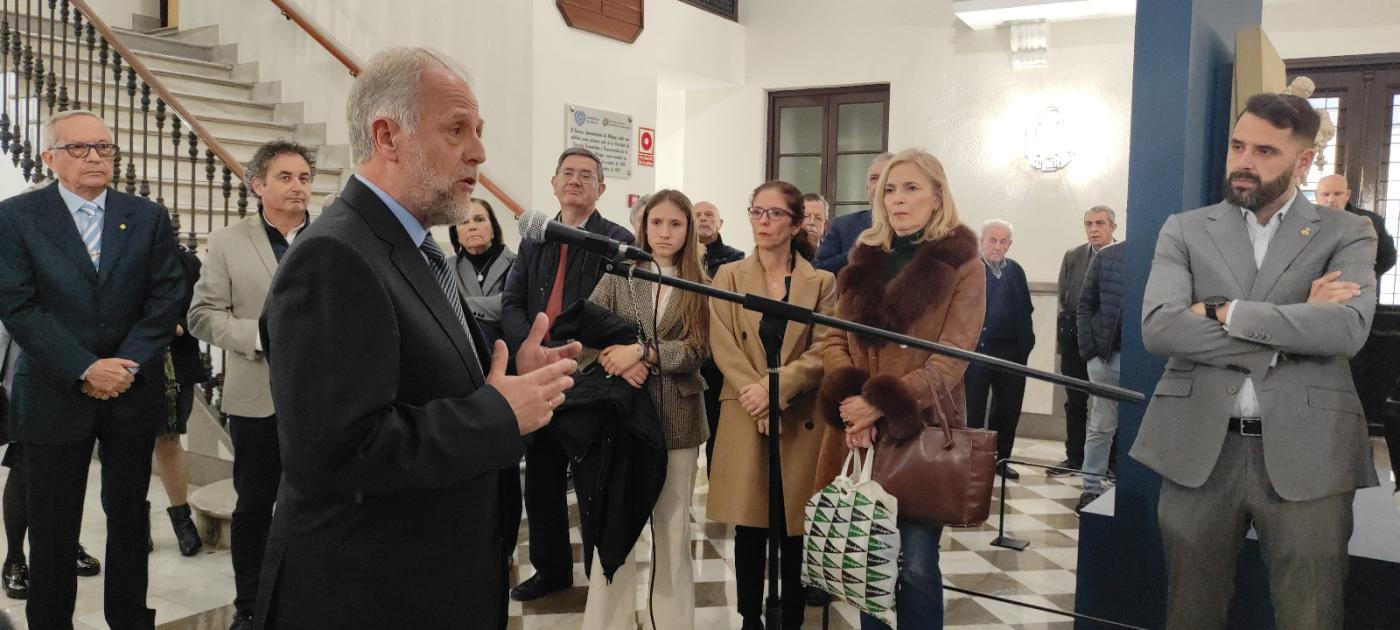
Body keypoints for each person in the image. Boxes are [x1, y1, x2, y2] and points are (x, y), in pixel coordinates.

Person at [254, 47, 580, 630]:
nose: (479, 151)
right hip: (370, 594)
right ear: (387, 136)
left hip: (431, 577)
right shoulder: (334, 255)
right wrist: (497, 413)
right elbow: (336, 451)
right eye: (456, 130)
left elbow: (420, 388)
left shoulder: (413, 247)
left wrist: (509, 383)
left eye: (478, 131)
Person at [1133, 93, 1378, 630]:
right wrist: (1294, 327)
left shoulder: (1348, 232)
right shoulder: (1186, 228)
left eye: (1266, 151)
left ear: (1304, 161)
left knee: (1310, 615)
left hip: (1310, 451)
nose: (1245, 161)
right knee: (1190, 613)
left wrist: (1223, 310)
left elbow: (1346, 329)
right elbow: (1160, 327)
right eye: (1238, 146)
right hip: (1198, 449)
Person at [0, 109, 184, 629]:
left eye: (104, 147)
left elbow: (166, 295)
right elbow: (18, 305)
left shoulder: (145, 216)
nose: (96, 158)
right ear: (50, 158)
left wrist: (122, 366)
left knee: (129, 520)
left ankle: (129, 618)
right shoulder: (16, 217)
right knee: (53, 525)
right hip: (53, 391)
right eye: (80, 148)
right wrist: (84, 367)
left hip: (131, 387)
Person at [815, 148, 985, 630]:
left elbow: (953, 355)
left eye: (911, 187)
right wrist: (852, 402)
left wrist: (880, 404)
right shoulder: (865, 254)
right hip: (859, 427)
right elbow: (833, 335)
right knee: (872, 560)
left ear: (937, 195)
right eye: (890, 188)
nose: (898, 199)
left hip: (919, 426)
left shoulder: (962, 263)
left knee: (914, 565)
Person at [188, 139, 315, 630]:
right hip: (256, 398)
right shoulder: (227, 242)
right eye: (285, 177)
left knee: (319, 503)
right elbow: (201, 315)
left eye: (304, 177)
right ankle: (251, 605)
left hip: (321, 398)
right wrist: (259, 335)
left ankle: (309, 597)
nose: (297, 187)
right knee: (256, 506)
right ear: (257, 184)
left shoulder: (332, 238)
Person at [501, 146, 634, 602]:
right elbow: (513, 301)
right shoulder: (536, 236)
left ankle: (602, 576)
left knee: (596, 481)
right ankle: (551, 570)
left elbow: (619, 312)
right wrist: (531, 348)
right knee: (541, 481)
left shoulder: (616, 241)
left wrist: (572, 351)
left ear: (601, 188)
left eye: (586, 175)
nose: (575, 181)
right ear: (554, 183)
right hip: (539, 374)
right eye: (568, 174)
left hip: (592, 374)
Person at [577, 190, 710, 630]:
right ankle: (605, 622)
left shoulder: (699, 283)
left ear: (688, 230)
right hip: (624, 416)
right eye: (658, 223)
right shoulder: (619, 276)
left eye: (676, 224)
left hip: (678, 419)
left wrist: (646, 354)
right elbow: (585, 336)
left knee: (672, 527)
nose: (666, 232)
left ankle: (671, 622)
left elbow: (697, 350)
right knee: (616, 521)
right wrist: (614, 361)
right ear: (644, 227)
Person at [707, 181, 835, 630]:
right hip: (746, 410)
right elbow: (721, 344)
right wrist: (758, 398)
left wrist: (777, 389)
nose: (763, 222)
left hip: (799, 413)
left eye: (774, 214)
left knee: (792, 523)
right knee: (749, 522)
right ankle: (748, 617)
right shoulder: (729, 275)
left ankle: (794, 617)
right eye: (756, 213)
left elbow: (823, 350)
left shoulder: (822, 282)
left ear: (797, 222)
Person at [963, 220, 1035, 479]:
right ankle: (970, 463)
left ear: (1009, 244)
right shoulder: (970, 268)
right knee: (973, 410)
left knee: (1008, 410)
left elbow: (1026, 309)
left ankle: (1001, 461)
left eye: (1003, 241)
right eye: (992, 240)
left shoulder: (1016, 271)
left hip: (1011, 354)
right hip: (977, 352)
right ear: (981, 241)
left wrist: (1026, 345)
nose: (997, 246)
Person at [1049, 206, 1117, 477]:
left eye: (1100, 223)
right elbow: (1066, 298)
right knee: (1075, 401)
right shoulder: (1073, 256)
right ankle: (1074, 457)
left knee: (1109, 404)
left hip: (1109, 343)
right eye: (1088, 223)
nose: (1093, 229)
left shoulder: (1122, 256)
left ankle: (1111, 463)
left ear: (1113, 226)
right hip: (1075, 340)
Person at [154, 244, 210, 558]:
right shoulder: (110, 256)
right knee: (121, 449)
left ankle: (182, 520)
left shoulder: (186, 261)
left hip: (175, 363)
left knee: (170, 441)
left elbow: (202, 309)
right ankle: (133, 524)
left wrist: (180, 325)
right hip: (121, 364)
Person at [1074, 240, 1127, 512]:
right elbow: (1085, 305)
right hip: (1107, 357)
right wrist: (1090, 352)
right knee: (1102, 424)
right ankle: (1091, 487)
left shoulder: (1169, 251)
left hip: (1149, 359)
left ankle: (1131, 486)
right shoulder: (1107, 257)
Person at [694, 199, 745, 476]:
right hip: (686, 354)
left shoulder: (735, 259)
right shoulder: (679, 256)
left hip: (718, 360)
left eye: (709, 214)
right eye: (697, 215)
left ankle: (717, 495)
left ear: (720, 222)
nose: (703, 219)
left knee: (718, 430)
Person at [448, 197, 516, 348]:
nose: (472, 227)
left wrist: (457, 303)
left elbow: (506, 305)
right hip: (461, 348)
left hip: (504, 347)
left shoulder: (516, 263)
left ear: (493, 229)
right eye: (464, 222)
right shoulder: (446, 267)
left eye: (479, 219)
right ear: (457, 235)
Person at [813, 152, 893, 275]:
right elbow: (818, 270)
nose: (879, 185)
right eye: (874, 178)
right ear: (867, 188)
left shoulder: (915, 227)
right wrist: (859, 252)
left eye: (886, 177)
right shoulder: (843, 226)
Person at [1315, 173, 1396, 281]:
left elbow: (1388, 258)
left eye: (1338, 194)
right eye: (1325, 194)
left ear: (1347, 195)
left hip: (1358, 289)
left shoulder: (1371, 221)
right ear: (1316, 196)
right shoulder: (1305, 221)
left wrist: (1363, 277)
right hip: (1316, 290)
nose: (1331, 200)